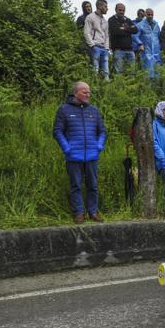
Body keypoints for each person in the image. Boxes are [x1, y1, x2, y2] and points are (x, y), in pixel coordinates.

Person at [53, 81, 107, 223]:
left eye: (89, 92)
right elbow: (57, 131)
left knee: (93, 186)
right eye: (85, 92)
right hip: (73, 156)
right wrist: (67, 148)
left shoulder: (94, 110)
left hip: (92, 155)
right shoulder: (63, 110)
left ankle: (93, 212)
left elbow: (102, 131)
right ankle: (79, 213)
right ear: (76, 93)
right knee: (75, 185)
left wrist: (99, 146)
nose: (88, 94)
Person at [84, 0, 110, 80]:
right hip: (95, 47)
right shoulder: (90, 17)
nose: (107, 8)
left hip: (104, 48)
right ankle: (95, 85)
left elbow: (107, 35)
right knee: (95, 69)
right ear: (99, 6)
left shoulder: (105, 21)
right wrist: (92, 45)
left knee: (106, 71)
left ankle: (106, 86)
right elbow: (86, 32)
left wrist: (106, 48)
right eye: (105, 6)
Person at [108, 3, 138, 74]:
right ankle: (119, 85)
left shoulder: (128, 20)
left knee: (132, 71)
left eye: (123, 10)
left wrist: (124, 29)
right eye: (120, 10)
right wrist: (128, 29)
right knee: (118, 71)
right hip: (118, 50)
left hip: (130, 50)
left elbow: (135, 30)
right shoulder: (111, 20)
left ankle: (131, 84)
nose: (122, 12)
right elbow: (115, 31)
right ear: (116, 10)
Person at [134, 8, 162, 78]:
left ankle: (156, 88)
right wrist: (140, 44)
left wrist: (160, 49)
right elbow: (134, 36)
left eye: (151, 14)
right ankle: (148, 88)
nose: (150, 16)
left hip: (156, 53)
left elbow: (159, 38)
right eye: (148, 14)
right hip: (146, 53)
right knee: (147, 74)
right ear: (145, 15)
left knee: (157, 73)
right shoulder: (140, 25)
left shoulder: (156, 26)